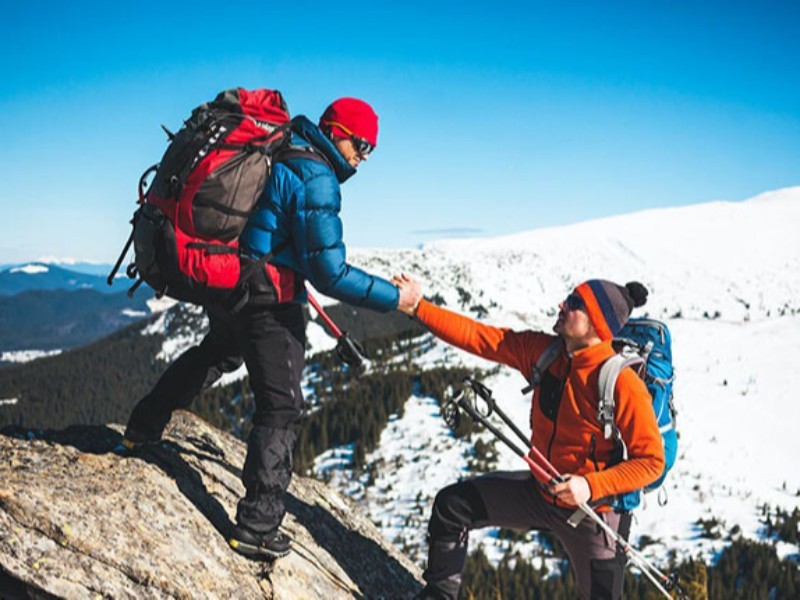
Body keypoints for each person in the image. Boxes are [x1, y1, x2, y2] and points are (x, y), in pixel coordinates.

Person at [121, 97, 418, 560]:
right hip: (269, 303)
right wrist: (396, 300)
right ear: (337, 131)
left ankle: (142, 427)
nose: (362, 158)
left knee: (214, 354)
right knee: (281, 408)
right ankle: (257, 527)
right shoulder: (316, 175)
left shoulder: (282, 145)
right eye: (361, 145)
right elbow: (330, 272)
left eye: (369, 150)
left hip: (234, 284)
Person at [391, 274, 665, 599]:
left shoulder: (621, 383)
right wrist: (418, 308)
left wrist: (589, 485)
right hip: (541, 492)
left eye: (575, 304)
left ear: (598, 324)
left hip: (595, 515)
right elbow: (481, 338)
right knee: (453, 507)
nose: (563, 305)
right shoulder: (545, 353)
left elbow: (651, 463)